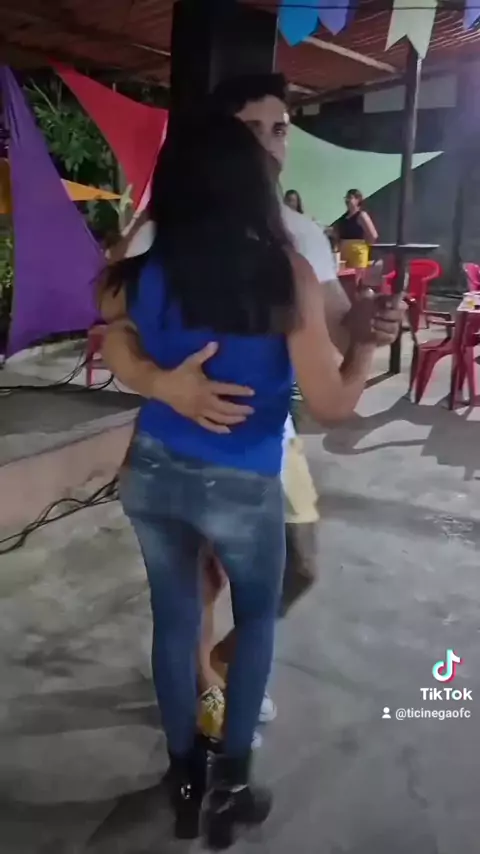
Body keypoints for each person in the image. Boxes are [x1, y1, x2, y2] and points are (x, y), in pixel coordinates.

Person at [99, 112, 385, 848]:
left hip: (154, 472)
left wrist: (159, 377)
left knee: (175, 623)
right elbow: (332, 403)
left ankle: (184, 781)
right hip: (241, 479)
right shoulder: (284, 273)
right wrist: (365, 352)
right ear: (254, 183)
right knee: (255, 620)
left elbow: (111, 329)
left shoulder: (141, 273)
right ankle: (230, 789)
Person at [333, 188, 378, 270]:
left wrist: (362, 247)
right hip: (344, 253)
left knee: (357, 276)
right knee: (345, 275)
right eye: (346, 198)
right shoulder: (343, 217)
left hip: (357, 253)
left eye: (350, 198)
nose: (347, 200)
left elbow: (373, 235)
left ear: (358, 200)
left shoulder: (361, 215)